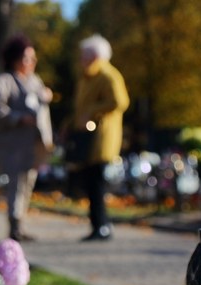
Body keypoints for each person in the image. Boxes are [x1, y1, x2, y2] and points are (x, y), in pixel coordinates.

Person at [0, 35, 54, 242]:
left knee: (28, 184)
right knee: (16, 184)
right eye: (28, 58)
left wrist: (46, 96)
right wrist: (19, 119)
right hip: (13, 145)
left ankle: (21, 223)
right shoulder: (4, 81)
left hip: (34, 144)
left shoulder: (35, 81)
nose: (32, 63)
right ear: (15, 59)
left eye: (34, 59)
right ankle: (15, 226)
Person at [72, 34, 130, 241]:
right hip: (88, 138)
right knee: (90, 183)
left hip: (101, 138)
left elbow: (120, 101)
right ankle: (98, 224)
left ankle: (103, 226)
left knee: (96, 183)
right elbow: (79, 108)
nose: (81, 59)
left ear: (95, 56)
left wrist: (93, 111)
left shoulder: (108, 75)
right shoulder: (87, 76)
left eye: (84, 55)